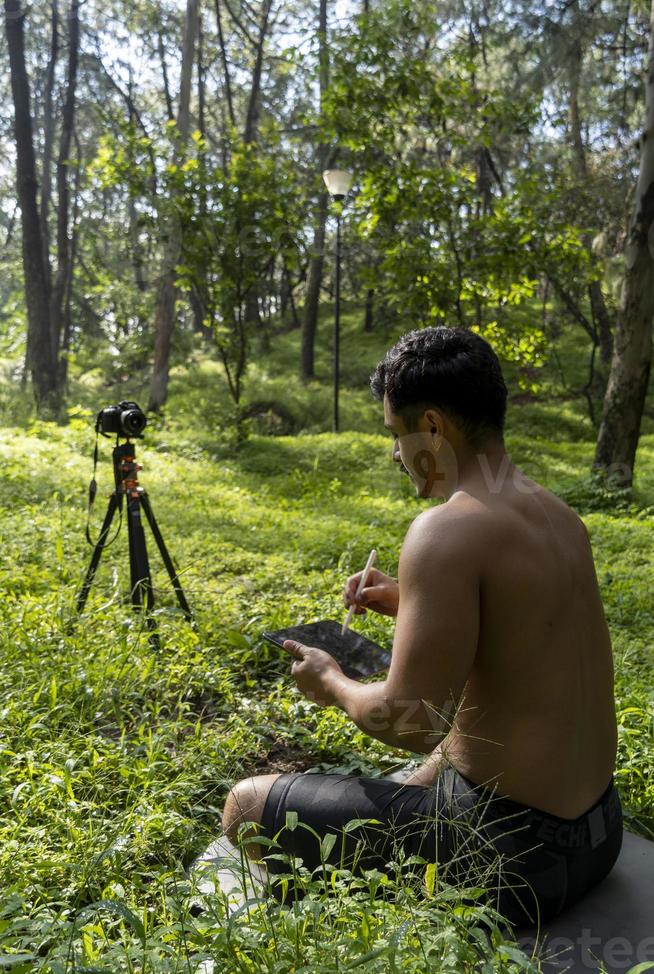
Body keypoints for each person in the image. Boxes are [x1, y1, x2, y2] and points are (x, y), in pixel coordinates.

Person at [222, 326, 622, 928]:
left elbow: (412, 723)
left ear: (433, 428)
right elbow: (517, 629)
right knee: (428, 771)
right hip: (599, 837)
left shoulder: (445, 530)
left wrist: (330, 681)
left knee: (246, 805)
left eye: (395, 434)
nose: (395, 455)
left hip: (513, 866)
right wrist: (407, 600)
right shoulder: (559, 516)